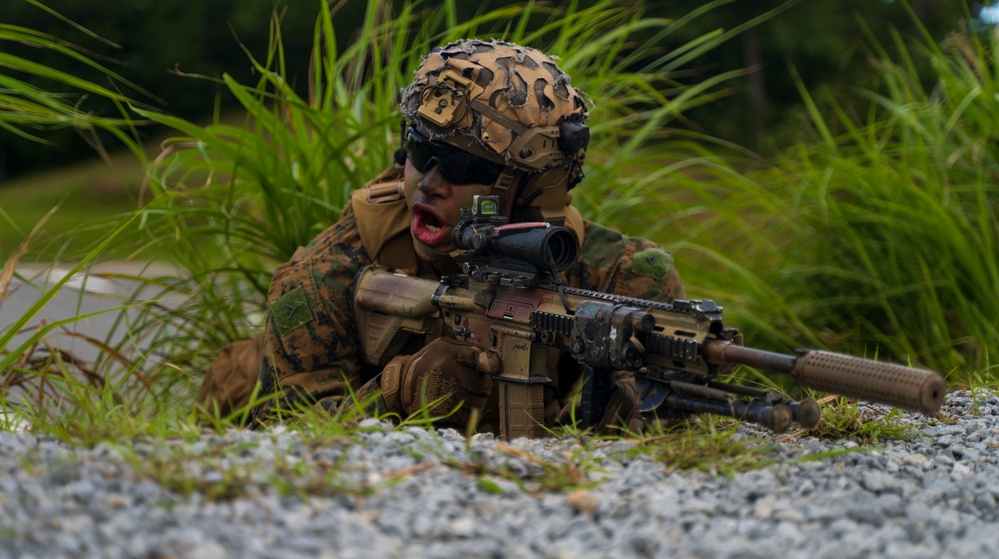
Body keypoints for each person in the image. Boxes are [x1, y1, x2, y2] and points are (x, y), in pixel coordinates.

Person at [196, 39, 685, 435]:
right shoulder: (331, 270)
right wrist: (398, 392)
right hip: (246, 394)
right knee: (233, 385)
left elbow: (672, 429)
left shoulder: (616, 273)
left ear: (532, 188)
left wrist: (631, 403)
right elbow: (282, 432)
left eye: (463, 165)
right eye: (419, 149)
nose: (430, 182)